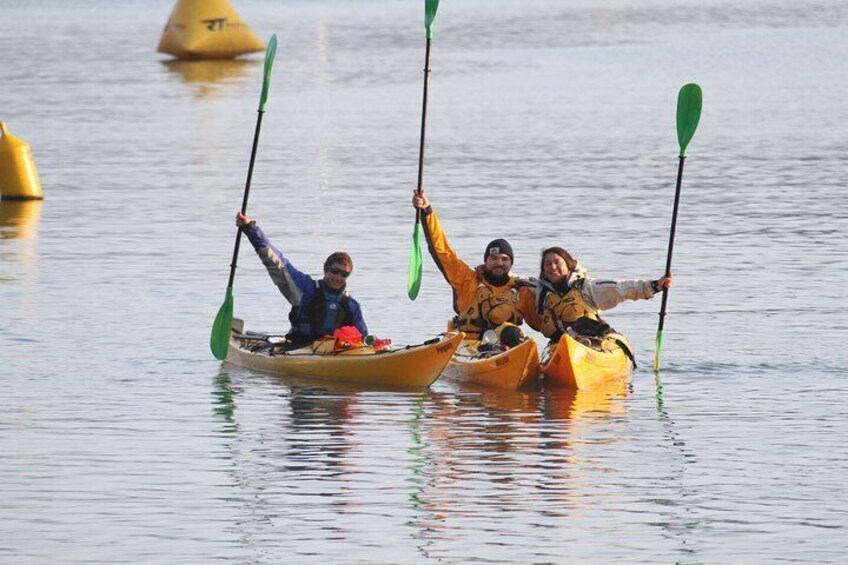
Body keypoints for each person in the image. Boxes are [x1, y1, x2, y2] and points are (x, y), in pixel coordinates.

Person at [411, 190, 535, 346]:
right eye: (494, 258)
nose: (499, 263)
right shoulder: (465, 279)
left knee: (512, 334)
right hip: (466, 347)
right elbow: (442, 250)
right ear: (486, 261)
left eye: (505, 259)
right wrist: (427, 210)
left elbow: (544, 320)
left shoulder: (522, 290)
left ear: (511, 263)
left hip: (506, 348)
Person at [236, 211, 368, 347]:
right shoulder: (306, 288)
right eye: (335, 271)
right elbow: (276, 261)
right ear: (325, 270)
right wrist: (250, 228)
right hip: (299, 348)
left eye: (344, 274)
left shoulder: (351, 305)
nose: (338, 277)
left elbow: (364, 340)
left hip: (334, 352)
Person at [528, 246, 672, 341]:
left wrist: (654, 286)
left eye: (557, 262)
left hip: (591, 342)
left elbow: (621, 288)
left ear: (568, 265)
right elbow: (512, 280)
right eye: (548, 264)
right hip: (560, 346)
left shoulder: (586, 287)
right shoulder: (541, 292)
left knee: (581, 322)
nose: (553, 267)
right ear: (544, 270)